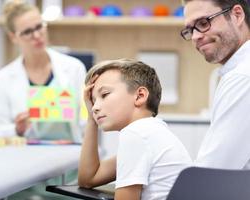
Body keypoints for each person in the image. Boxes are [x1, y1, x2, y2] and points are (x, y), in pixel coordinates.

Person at [78, 59, 191, 200]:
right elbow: (88, 179)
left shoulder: (137, 134)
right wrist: (91, 119)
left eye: (105, 95)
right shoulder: (150, 132)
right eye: (93, 101)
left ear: (140, 96)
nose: (95, 107)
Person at [0, 1, 86, 141]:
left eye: (39, 27)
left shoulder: (74, 68)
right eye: (27, 32)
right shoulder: (2, 79)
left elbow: (86, 118)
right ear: (13, 37)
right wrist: (17, 129)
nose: (37, 35)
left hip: (70, 153)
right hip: (24, 156)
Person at [181, 0, 250, 169]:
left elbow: (213, 173)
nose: (196, 36)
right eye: (190, 30)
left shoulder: (243, 76)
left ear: (237, 15)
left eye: (203, 23)